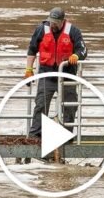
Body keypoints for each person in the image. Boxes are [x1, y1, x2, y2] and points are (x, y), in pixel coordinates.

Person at [25, 7, 87, 138]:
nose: (52, 25)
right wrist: (29, 70)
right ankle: (35, 135)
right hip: (46, 74)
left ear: (62, 21)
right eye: (51, 21)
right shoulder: (41, 30)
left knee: (70, 106)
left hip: (67, 75)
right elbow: (31, 50)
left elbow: (83, 50)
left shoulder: (73, 31)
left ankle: (67, 135)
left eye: (55, 22)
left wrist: (76, 56)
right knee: (41, 105)